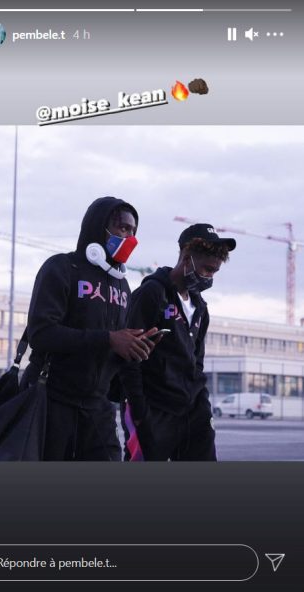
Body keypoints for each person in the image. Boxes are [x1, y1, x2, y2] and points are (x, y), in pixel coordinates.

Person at [25, 197, 155, 461]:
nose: (130, 236)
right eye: (122, 228)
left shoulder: (123, 286)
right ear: (98, 227)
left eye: (133, 231)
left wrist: (135, 347)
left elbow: (116, 348)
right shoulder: (62, 268)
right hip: (52, 401)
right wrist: (108, 339)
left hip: (98, 408)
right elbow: (40, 334)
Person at [121, 223, 236, 461]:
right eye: (206, 270)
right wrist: (140, 412)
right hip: (154, 410)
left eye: (214, 272)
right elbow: (129, 358)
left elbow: (197, 363)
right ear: (186, 258)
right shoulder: (152, 294)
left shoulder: (201, 308)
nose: (209, 278)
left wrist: (202, 406)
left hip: (193, 411)